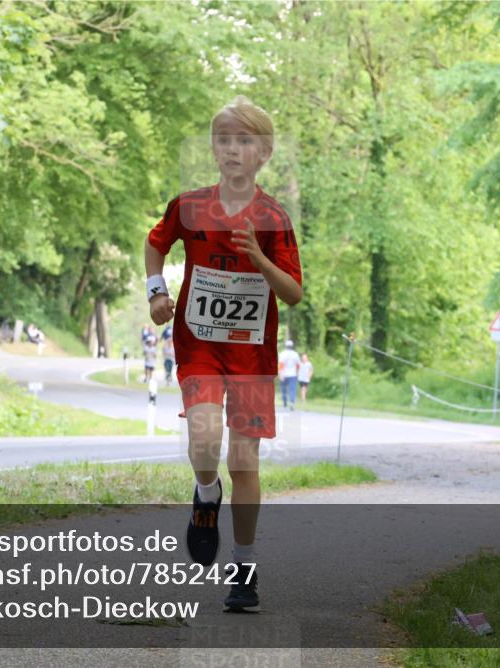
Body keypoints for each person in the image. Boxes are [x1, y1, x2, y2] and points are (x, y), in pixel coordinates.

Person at [145, 96, 303, 612]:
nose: (232, 149)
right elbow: (156, 244)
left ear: (264, 153)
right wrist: (156, 291)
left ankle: (244, 567)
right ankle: (206, 491)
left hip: (252, 356)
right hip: (200, 345)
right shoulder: (189, 206)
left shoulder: (273, 216)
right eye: (224, 139)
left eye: (244, 141)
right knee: (204, 438)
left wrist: (258, 255)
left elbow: (293, 293)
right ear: (213, 148)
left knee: (245, 461)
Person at [278, 340, 301, 410]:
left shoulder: (282, 354)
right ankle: (292, 402)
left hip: (284, 374)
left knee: (284, 389)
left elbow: (280, 365)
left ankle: (285, 402)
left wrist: (280, 374)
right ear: (292, 346)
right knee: (292, 389)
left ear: (286, 346)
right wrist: (297, 373)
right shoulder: (295, 354)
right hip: (293, 374)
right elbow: (298, 365)